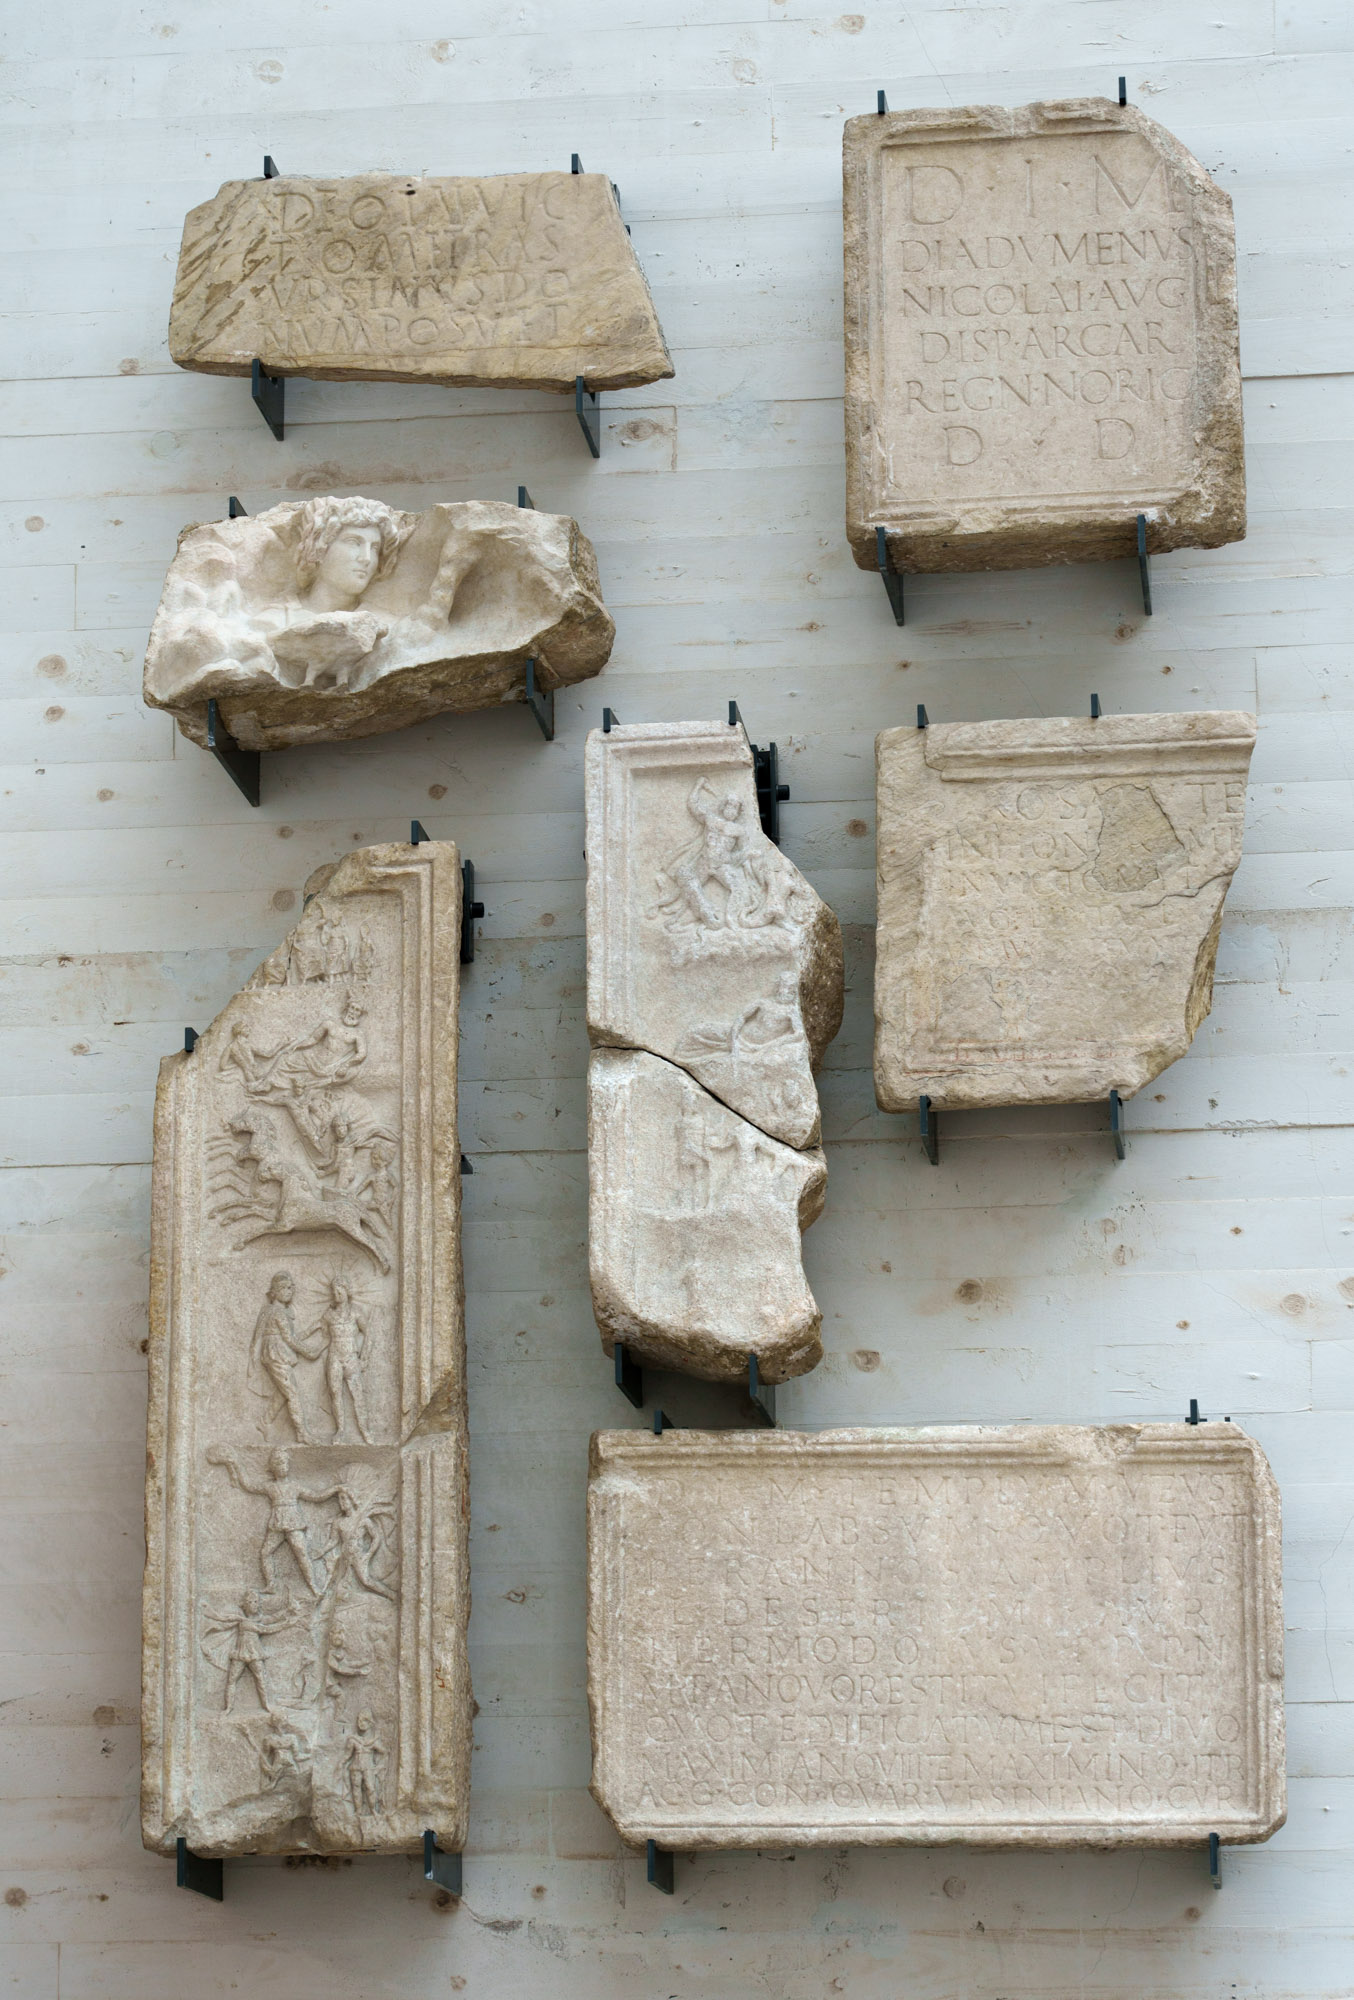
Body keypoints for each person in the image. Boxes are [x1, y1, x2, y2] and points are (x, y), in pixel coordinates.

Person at [208, 1445, 347, 1596]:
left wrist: (334, 1489)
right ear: (273, 1468)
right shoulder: (270, 1487)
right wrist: (234, 1464)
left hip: (293, 1523)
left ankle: (313, 1586)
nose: (283, 1467)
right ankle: (271, 1585)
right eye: (279, 1464)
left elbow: (316, 1496)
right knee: (265, 1553)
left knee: (301, 1553)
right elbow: (248, 1486)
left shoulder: (295, 1486)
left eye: (285, 1463)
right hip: (277, 1524)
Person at [201, 1588, 293, 1711]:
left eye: (256, 1602)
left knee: (261, 1679)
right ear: (245, 1604)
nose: (254, 1604)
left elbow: (272, 1619)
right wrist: (208, 1610)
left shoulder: (259, 1619)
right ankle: (228, 1708)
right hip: (241, 1653)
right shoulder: (240, 1619)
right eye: (250, 1602)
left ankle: (266, 1705)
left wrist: (287, 1612)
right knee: (232, 1680)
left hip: (255, 1653)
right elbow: (223, 1618)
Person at [247, 1271, 311, 1440]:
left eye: (291, 1288)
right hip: (276, 1354)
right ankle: (302, 1433)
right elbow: (289, 1339)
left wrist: (313, 1329)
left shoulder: (269, 1310)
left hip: (276, 1352)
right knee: (292, 1393)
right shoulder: (277, 1312)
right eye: (286, 1288)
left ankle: (264, 1421)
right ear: (276, 1291)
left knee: (284, 1391)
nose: (290, 1291)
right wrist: (309, 1352)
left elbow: (290, 1337)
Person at [343, 1712, 386, 1817]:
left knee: (370, 1788)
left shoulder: (374, 1741)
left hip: (368, 1767)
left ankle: (373, 1810)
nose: (360, 1723)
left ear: (370, 1723)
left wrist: (380, 1765)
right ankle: (358, 1811)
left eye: (364, 1720)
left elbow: (384, 1752)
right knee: (356, 1788)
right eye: (359, 1720)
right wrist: (340, 1763)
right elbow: (347, 1755)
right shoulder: (353, 1739)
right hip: (355, 1767)